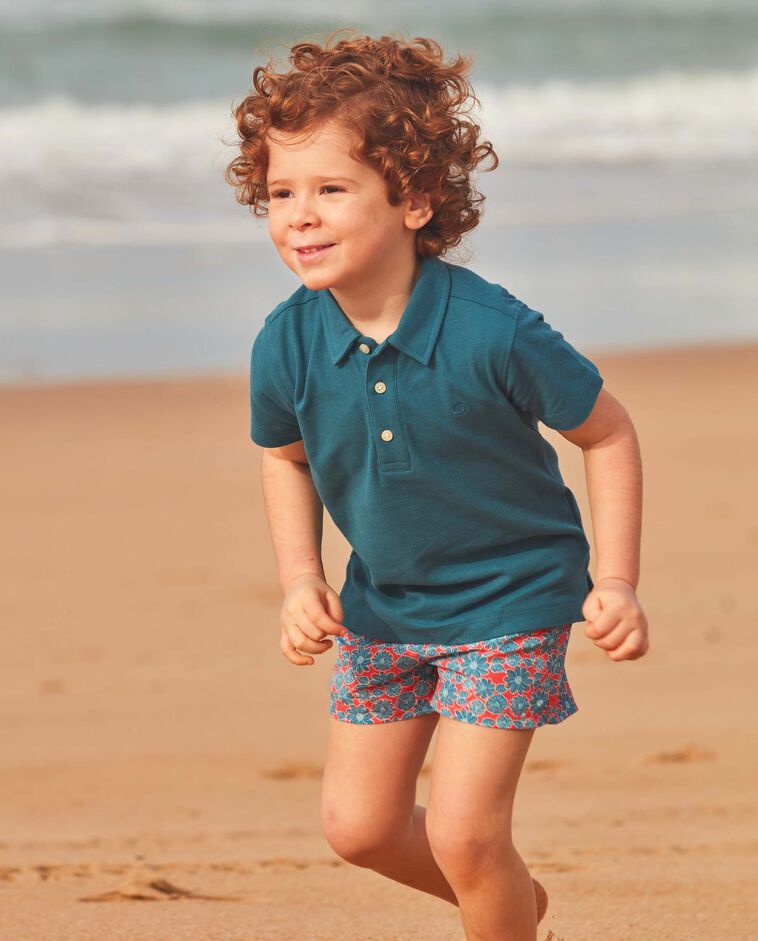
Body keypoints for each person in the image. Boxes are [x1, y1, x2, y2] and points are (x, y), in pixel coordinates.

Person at [225, 28, 648, 941]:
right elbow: (284, 455)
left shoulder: (495, 330)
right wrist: (301, 578)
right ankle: (512, 902)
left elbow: (608, 431)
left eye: (331, 189)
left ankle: (494, 897)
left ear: (414, 199)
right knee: (361, 827)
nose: (299, 216)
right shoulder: (285, 341)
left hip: (510, 600)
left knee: (465, 834)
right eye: (281, 192)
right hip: (384, 607)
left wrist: (615, 580)